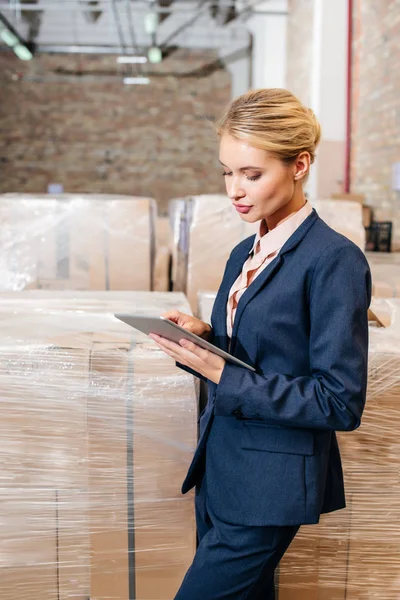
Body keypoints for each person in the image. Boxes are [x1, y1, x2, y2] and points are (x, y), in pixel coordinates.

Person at [149, 88, 372, 600]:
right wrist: (203, 341)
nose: (235, 189)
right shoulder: (242, 253)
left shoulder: (333, 260)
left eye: (252, 174)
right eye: (227, 172)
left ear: (300, 164)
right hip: (221, 467)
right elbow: (252, 356)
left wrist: (222, 372)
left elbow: (339, 400)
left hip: (269, 482)